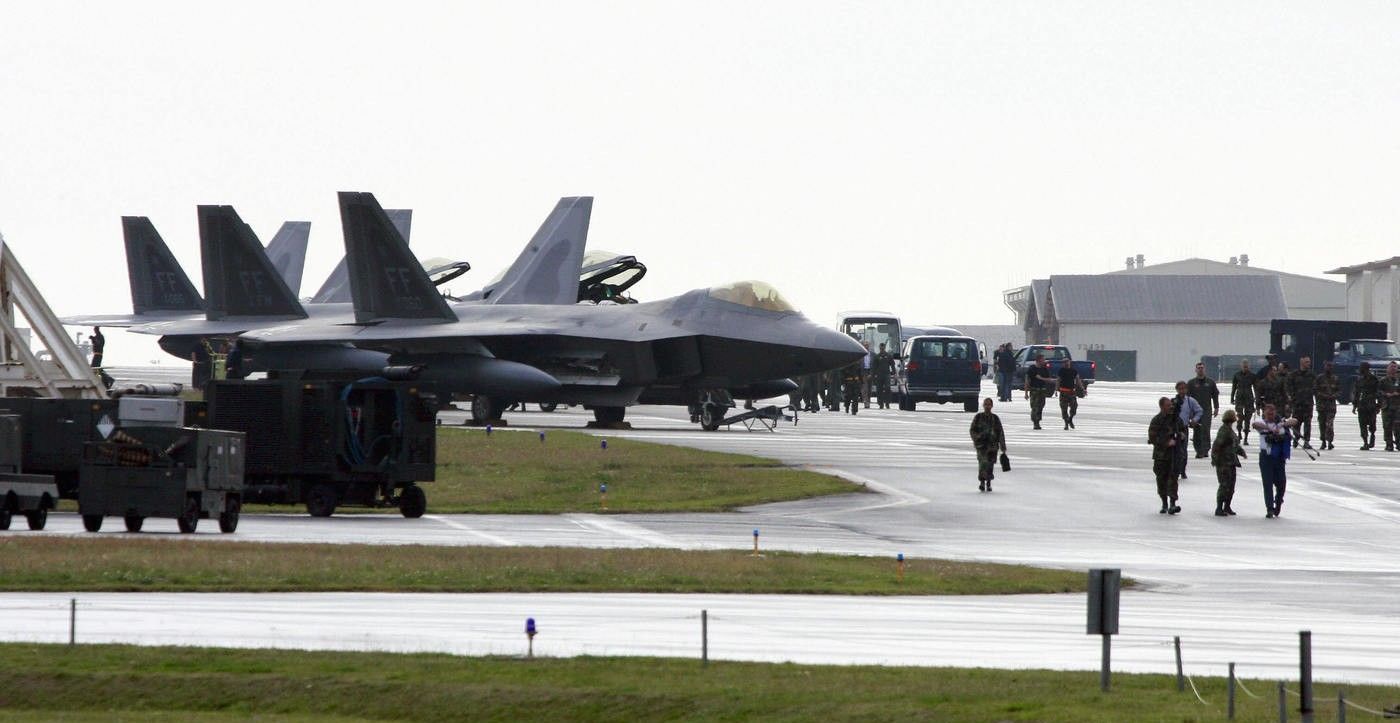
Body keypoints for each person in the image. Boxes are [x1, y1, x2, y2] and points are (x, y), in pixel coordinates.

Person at [1252, 403, 1297, 518]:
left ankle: (1278, 501)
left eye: (1272, 413)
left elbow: (1294, 421)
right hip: (1266, 457)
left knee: (1281, 483)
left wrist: (1281, 425)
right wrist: (1269, 429)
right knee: (1267, 484)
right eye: (1268, 413)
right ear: (1265, 413)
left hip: (1278, 458)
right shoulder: (1262, 423)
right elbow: (1255, 424)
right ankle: (1270, 509)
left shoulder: (1280, 424)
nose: (1271, 415)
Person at [1149, 396, 1184, 514]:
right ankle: (1164, 503)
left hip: (1174, 455)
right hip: (1161, 456)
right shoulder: (1157, 420)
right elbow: (1152, 437)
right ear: (1162, 406)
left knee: (1173, 479)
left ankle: (1172, 504)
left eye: (1171, 405)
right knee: (1161, 480)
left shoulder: (1176, 420)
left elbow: (1182, 430)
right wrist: (1166, 442)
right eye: (1168, 405)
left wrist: (1181, 436)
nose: (1171, 407)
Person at [1210, 409, 1246, 516]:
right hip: (1223, 463)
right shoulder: (1224, 431)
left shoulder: (1229, 430)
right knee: (1224, 485)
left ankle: (1227, 506)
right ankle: (1219, 507)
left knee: (1231, 486)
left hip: (1231, 462)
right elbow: (1217, 445)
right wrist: (1215, 459)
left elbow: (1234, 445)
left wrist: (1241, 452)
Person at [969, 397, 1006, 492]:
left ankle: (988, 482)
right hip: (981, 446)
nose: (987, 406)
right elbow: (972, 430)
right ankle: (982, 482)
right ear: (983, 405)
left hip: (992, 446)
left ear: (992, 406)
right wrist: (976, 438)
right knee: (982, 463)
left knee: (990, 464)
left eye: (989, 404)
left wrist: (1003, 445)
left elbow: (1000, 432)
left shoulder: (995, 418)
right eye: (985, 404)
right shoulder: (978, 417)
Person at [1185, 363, 1219, 458]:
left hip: (1207, 410)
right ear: (1195, 370)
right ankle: (1198, 450)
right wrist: (1188, 411)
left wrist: (1216, 407)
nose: (1200, 370)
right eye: (1199, 368)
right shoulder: (1191, 383)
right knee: (1197, 430)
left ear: (1205, 370)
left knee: (1205, 430)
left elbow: (1215, 395)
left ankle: (1205, 449)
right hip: (1195, 411)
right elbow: (1187, 398)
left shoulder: (1210, 382)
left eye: (1202, 368)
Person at [1172, 381, 1203, 479]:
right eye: (1180, 389)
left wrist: (1194, 420)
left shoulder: (1190, 401)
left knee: (1183, 451)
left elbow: (1199, 411)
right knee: (1173, 450)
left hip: (1184, 428)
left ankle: (1183, 470)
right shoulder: (1173, 401)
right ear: (1177, 390)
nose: (1182, 391)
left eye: (1184, 388)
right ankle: (1175, 470)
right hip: (1173, 428)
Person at [1286, 357, 1317, 448]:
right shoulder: (1294, 375)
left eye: (1309, 362)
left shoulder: (1312, 375)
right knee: (1296, 422)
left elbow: (1316, 386)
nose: (1309, 364)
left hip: (1308, 403)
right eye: (1307, 362)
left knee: (1308, 423)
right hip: (1297, 403)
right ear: (1301, 363)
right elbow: (1288, 386)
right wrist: (1291, 396)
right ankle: (1296, 438)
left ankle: (1306, 441)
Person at [1352, 361, 1379, 449]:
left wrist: (1378, 405)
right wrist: (1354, 405)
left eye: (1361, 368)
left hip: (1371, 405)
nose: (1360, 370)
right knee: (1362, 424)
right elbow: (1356, 393)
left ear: (1366, 369)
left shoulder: (1374, 379)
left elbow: (1378, 393)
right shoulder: (1359, 380)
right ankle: (1365, 442)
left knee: (1372, 424)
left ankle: (1372, 436)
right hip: (1362, 406)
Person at [1314, 361, 1340, 451]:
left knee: (1329, 424)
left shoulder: (1335, 378)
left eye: (1330, 367)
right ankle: (1323, 441)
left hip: (1331, 406)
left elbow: (1339, 391)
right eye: (1327, 366)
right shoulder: (1319, 378)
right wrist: (1323, 395)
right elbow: (1316, 390)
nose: (1328, 368)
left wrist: (1334, 395)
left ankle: (1329, 441)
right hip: (1322, 405)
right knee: (1322, 424)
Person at [1024, 354, 1055, 430]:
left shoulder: (1044, 369)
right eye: (1043, 359)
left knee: (1041, 406)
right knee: (1035, 406)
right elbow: (1027, 380)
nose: (1044, 361)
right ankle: (1035, 422)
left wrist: (1053, 381)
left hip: (1042, 390)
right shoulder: (1032, 368)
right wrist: (1026, 393)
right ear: (1038, 360)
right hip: (1035, 390)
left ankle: (1038, 420)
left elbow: (1048, 378)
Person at [1230, 359, 1257, 444]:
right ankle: (1239, 433)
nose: (1245, 367)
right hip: (1239, 398)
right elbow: (1234, 387)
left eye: (1246, 365)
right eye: (1244, 365)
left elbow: (1255, 388)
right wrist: (1232, 398)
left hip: (1249, 398)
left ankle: (1246, 437)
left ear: (1249, 366)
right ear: (1241, 366)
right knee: (1240, 417)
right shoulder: (1237, 375)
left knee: (1248, 418)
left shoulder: (1252, 376)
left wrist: (1257, 399)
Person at [1056, 358, 1081, 430]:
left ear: (1070, 362)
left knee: (1074, 407)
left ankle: (1070, 419)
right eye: (1064, 362)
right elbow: (1058, 379)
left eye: (1067, 362)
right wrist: (1056, 389)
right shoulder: (1061, 371)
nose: (1065, 363)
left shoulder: (1073, 371)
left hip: (1071, 392)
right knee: (1064, 409)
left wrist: (1082, 388)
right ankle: (1066, 424)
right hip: (1063, 391)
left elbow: (1078, 380)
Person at [1382, 361, 1400, 452]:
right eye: (1391, 367)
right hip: (1387, 406)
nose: (1393, 368)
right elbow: (1378, 391)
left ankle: (1398, 443)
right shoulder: (1383, 380)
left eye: (1395, 367)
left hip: (1398, 407)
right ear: (1387, 369)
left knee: (1398, 426)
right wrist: (1386, 394)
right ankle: (1389, 444)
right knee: (1387, 426)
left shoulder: (1399, 380)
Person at [873, 342, 895, 409]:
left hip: (887, 375)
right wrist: (873, 375)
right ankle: (880, 403)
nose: (882, 349)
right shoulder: (877, 356)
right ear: (879, 348)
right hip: (879, 375)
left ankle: (887, 403)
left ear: (884, 348)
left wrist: (894, 373)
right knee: (879, 390)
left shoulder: (888, 356)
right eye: (881, 347)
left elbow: (892, 365)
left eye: (883, 347)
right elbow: (874, 367)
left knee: (888, 388)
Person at [860, 342, 873, 409]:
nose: (866, 347)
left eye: (867, 345)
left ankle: (868, 400)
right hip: (863, 372)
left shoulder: (872, 355)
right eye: (865, 345)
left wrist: (871, 373)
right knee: (865, 388)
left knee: (870, 388)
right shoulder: (861, 354)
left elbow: (874, 365)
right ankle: (866, 402)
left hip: (870, 371)